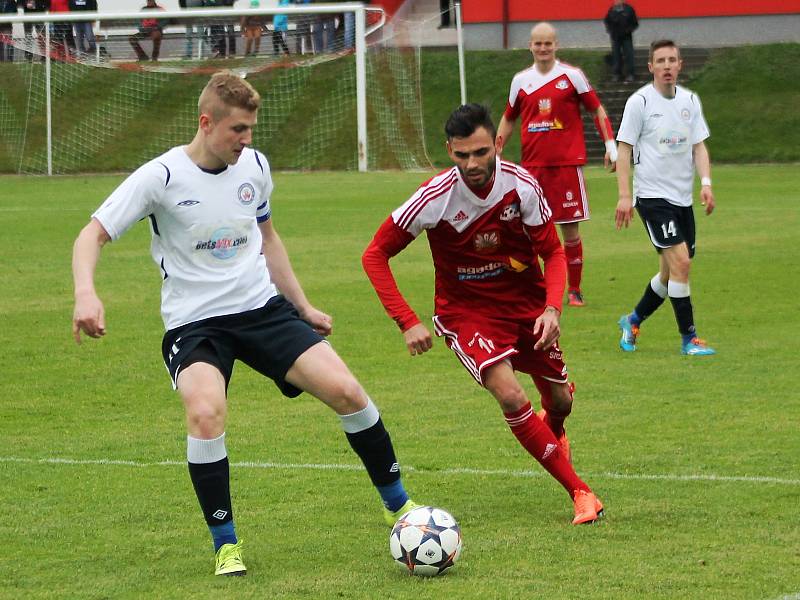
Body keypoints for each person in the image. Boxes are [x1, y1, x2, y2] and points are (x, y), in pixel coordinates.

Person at [72, 71, 419, 577]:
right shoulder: (161, 177)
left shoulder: (255, 166)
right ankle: (225, 544)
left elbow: (269, 238)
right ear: (206, 122)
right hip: (196, 324)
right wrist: (86, 293)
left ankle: (401, 509)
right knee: (206, 412)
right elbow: (92, 234)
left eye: (251, 129)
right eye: (238, 129)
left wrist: (301, 305)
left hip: (263, 311)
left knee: (348, 391)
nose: (247, 139)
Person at [362, 103, 604, 526]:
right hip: (467, 313)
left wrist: (552, 308)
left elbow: (552, 251)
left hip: (527, 308)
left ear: (496, 143)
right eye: (461, 155)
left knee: (561, 400)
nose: (471, 164)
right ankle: (581, 492)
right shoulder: (433, 197)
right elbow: (375, 254)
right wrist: (407, 319)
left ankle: (556, 430)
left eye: (480, 153)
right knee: (511, 395)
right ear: (449, 151)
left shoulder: (521, 186)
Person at [497, 22, 617, 308]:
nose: (543, 48)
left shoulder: (572, 76)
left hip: (566, 166)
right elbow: (509, 117)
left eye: (548, 43)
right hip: (532, 169)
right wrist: (495, 150)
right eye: (538, 43)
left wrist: (610, 145)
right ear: (530, 46)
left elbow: (596, 109)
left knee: (570, 230)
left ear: (556, 45)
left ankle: (574, 290)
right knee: (527, 231)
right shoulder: (520, 81)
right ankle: (533, 288)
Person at [615, 40, 716, 356]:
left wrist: (706, 183)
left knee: (669, 272)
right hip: (652, 198)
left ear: (680, 64)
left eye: (672, 60)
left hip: (682, 200)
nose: (667, 65)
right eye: (661, 61)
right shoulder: (640, 102)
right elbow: (624, 149)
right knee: (682, 263)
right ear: (651, 67)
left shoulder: (690, 101)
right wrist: (623, 195)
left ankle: (632, 320)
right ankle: (690, 339)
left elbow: (698, 146)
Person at [603, 0, 638, 83]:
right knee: (616, 55)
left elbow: (635, 23)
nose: (616, 1)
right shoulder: (611, 10)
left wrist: (629, 30)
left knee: (629, 55)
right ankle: (617, 74)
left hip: (626, 37)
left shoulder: (629, 10)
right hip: (615, 37)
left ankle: (630, 74)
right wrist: (609, 30)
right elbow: (607, 21)